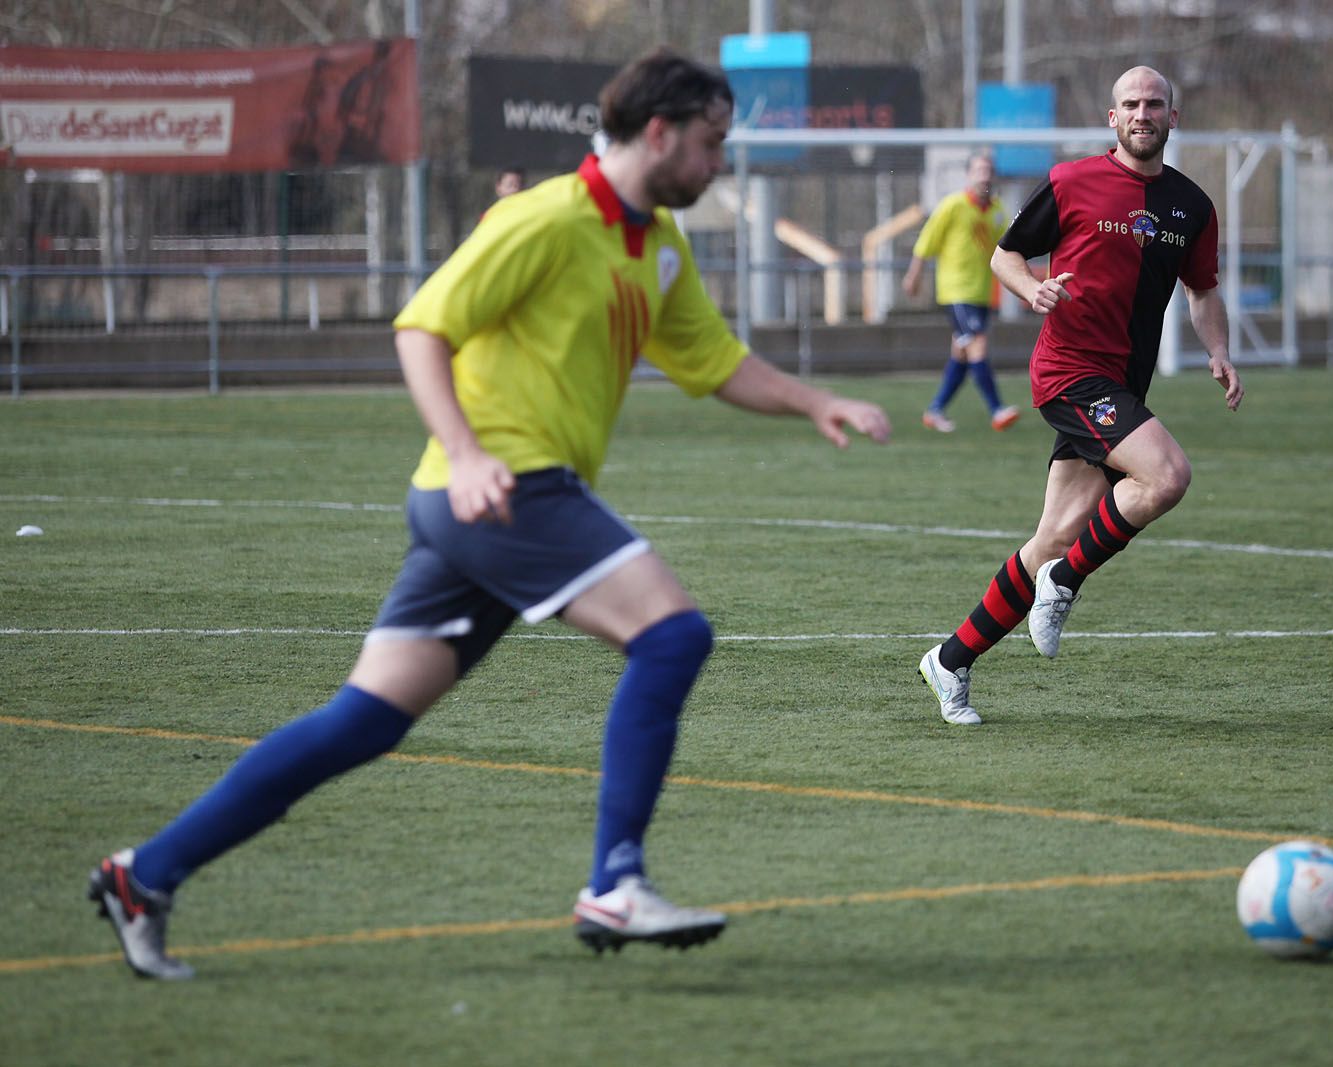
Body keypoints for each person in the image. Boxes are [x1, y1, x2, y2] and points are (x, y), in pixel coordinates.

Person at [88, 46, 891, 979]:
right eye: (712, 145)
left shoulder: (658, 246)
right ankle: (616, 883)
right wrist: (468, 455)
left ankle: (146, 872)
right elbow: (424, 326)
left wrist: (812, 401)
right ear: (660, 132)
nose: (719, 167)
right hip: (506, 489)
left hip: (487, 507)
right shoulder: (544, 218)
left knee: (364, 721)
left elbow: (709, 360)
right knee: (672, 636)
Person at [917, 66, 1242, 726]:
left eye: (1154, 104)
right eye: (1130, 104)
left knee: (1052, 537)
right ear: (1112, 117)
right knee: (1168, 475)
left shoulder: (1191, 206)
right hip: (1069, 373)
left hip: (1122, 386)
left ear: (1172, 118)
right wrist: (1029, 288)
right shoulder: (1071, 182)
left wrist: (1219, 350)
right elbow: (1005, 255)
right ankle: (1065, 582)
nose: (1143, 113)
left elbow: (1202, 291)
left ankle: (950, 660)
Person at [901, 152, 1019, 433]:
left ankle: (935, 410)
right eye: (979, 170)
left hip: (981, 292)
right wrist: (913, 275)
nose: (984, 175)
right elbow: (927, 241)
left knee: (963, 354)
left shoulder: (998, 210)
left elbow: (1009, 246)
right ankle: (997, 409)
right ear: (969, 175)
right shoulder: (953, 206)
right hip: (956, 291)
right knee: (977, 344)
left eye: (988, 170)